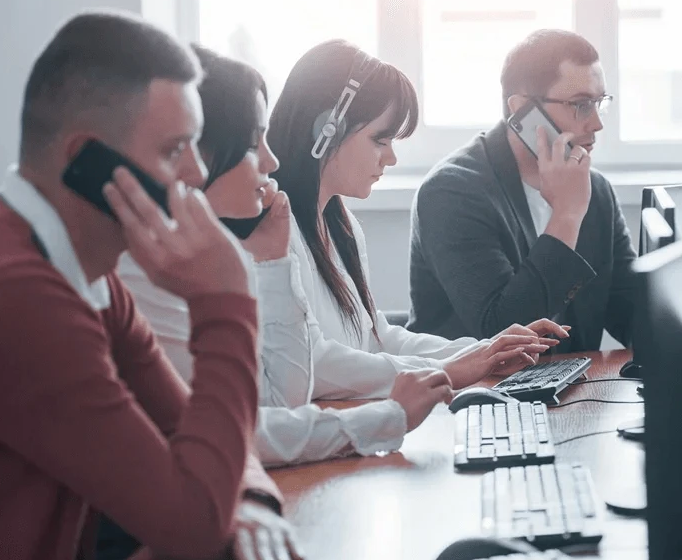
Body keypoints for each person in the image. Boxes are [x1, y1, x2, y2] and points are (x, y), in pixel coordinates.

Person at [0, 12, 298, 560]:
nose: (197, 173)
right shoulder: (11, 296)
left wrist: (248, 497)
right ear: (86, 163)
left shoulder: (89, 280)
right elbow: (194, 522)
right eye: (175, 149)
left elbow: (192, 428)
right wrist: (225, 302)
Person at [119, 45, 453, 472]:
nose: (270, 160)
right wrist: (389, 416)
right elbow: (240, 428)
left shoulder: (248, 241)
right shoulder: (146, 269)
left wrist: (274, 265)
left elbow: (284, 397)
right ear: (193, 158)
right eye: (251, 143)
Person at [267, 39, 567, 402]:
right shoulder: (272, 234)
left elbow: (376, 337)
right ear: (327, 129)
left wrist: (485, 353)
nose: (390, 158)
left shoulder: (339, 225)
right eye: (381, 140)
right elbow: (316, 363)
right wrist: (447, 371)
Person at [408, 30, 636, 352]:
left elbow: (633, 315)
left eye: (599, 103)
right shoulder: (450, 193)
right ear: (522, 111)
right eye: (581, 105)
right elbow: (504, 334)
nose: (597, 123)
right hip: (473, 396)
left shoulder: (595, 190)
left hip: (571, 396)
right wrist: (567, 217)